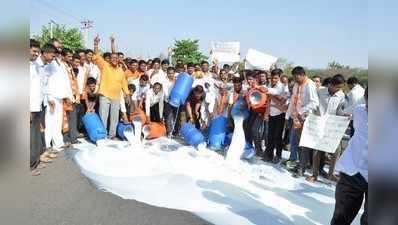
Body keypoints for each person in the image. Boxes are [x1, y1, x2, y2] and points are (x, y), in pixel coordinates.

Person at [331, 87, 368, 225]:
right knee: (341, 218)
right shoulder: (359, 111)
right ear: (365, 97)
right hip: (352, 172)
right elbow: (342, 112)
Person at [306, 74, 347, 183]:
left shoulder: (341, 95)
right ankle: (314, 174)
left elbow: (339, 111)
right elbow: (314, 105)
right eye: (337, 87)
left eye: (340, 88)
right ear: (331, 84)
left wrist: (344, 115)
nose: (339, 89)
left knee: (337, 149)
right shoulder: (320, 92)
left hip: (332, 125)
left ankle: (331, 173)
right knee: (316, 149)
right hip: (319, 123)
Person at [93, 34, 130, 139]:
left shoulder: (120, 70)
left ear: (118, 59)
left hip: (116, 97)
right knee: (103, 117)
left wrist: (127, 95)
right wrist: (96, 44)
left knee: (114, 118)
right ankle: (102, 134)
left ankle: (112, 135)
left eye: (116, 58)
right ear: (109, 59)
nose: (114, 59)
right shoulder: (104, 65)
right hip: (104, 95)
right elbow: (96, 55)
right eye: (112, 57)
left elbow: (124, 84)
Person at [285, 66, 319, 178]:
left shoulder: (310, 85)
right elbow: (293, 101)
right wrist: (288, 116)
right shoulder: (296, 85)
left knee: (304, 144)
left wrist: (300, 112)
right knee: (296, 142)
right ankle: (299, 164)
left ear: (303, 75)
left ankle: (302, 168)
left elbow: (314, 103)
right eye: (294, 78)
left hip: (305, 118)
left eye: (297, 77)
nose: (295, 80)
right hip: (295, 118)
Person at [30, 40, 57, 175]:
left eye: (37, 51)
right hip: (30, 106)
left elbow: (41, 86)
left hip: (38, 104)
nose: (35, 53)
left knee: (35, 135)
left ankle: (34, 163)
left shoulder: (36, 66)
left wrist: (47, 99)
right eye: (33, 51)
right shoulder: (33, 65)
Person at [44, 41, 75, 151]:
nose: (59, 49)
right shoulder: (49, 63)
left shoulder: (61, 64)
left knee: (57, 122)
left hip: (60, 97)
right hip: (51, 97)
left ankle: (58, 143)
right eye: (57, 47)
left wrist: (69, 96)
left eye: (60, 47)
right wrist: (49, 97)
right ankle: (47, 145)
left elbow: (65, 82)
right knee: (49, 122)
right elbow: (45, 81)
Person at [263, 69, 288, 163]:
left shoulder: (283, 88)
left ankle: (278, 155)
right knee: (269, 136)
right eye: (272, 78)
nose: (274, 80)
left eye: (276, 78)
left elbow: (282, 103)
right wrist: (266, 113)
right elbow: (268, 102)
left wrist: (271, 96)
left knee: (278, 136)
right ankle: (268, 154)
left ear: (280, 78)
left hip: (280, 115)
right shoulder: (269, 85)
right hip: (271, 114)